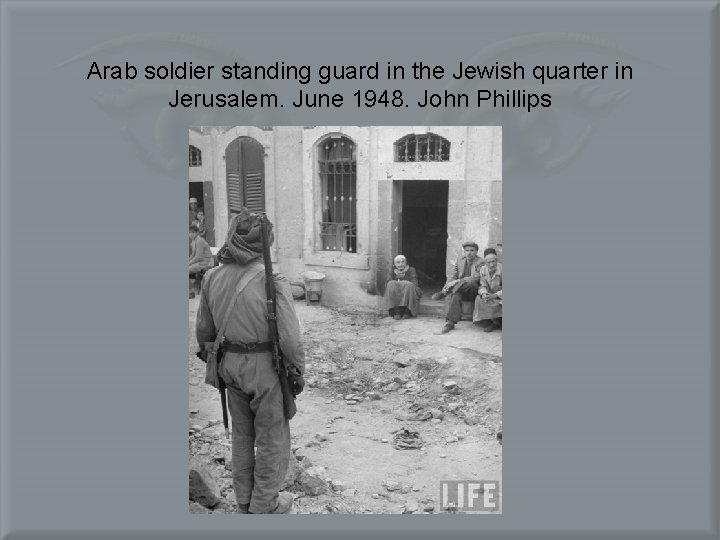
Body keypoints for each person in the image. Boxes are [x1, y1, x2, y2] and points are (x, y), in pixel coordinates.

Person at [195, 209, 305, 514]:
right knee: (272, 437)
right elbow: (291, 341)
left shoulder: (211, 277)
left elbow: (204, 332)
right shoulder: (273, 280)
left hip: (229, 367)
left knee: (242, 435)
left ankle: (244, 501)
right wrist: (297, 371)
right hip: (264, 369)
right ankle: (264, 505)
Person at [432, 241, 484, 334]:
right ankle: (450, 323)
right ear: (464, 251)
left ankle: (445, 293)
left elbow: (475, 277)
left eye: (472, 250)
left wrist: (457, 281)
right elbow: (453, 277)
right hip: (461, 289)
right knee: (456, 294)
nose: (469, 253)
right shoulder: (460, 260)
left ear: (476, 252)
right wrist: (446, 286)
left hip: (474, 289)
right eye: (467, 250)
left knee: (470, 283)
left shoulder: (480, 262)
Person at [473, 248, 502, 332]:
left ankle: (498, 321)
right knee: (479, 298)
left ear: (497, 260)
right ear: (485, 262)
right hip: (491, 295)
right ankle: (494, 322)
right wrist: (484, 293)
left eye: (493, 261)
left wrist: (495, 295)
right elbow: (482, 285)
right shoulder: (483, 269)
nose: (491, 264)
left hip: (500, 295)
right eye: (488, 262)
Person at [384, 255, 422, 319]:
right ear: (394, 264)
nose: (400, 264)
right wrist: (398, 282)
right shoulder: (392, 270)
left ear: (406, 263)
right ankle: (396, 310)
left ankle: (407, 310)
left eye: (402, 262)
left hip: (408, 290)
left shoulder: (411, 269)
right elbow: (388, 281)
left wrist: (402, 283)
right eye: (398, 262)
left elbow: (414, 282)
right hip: (397, 291)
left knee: (408, 284)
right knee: (390, 284)